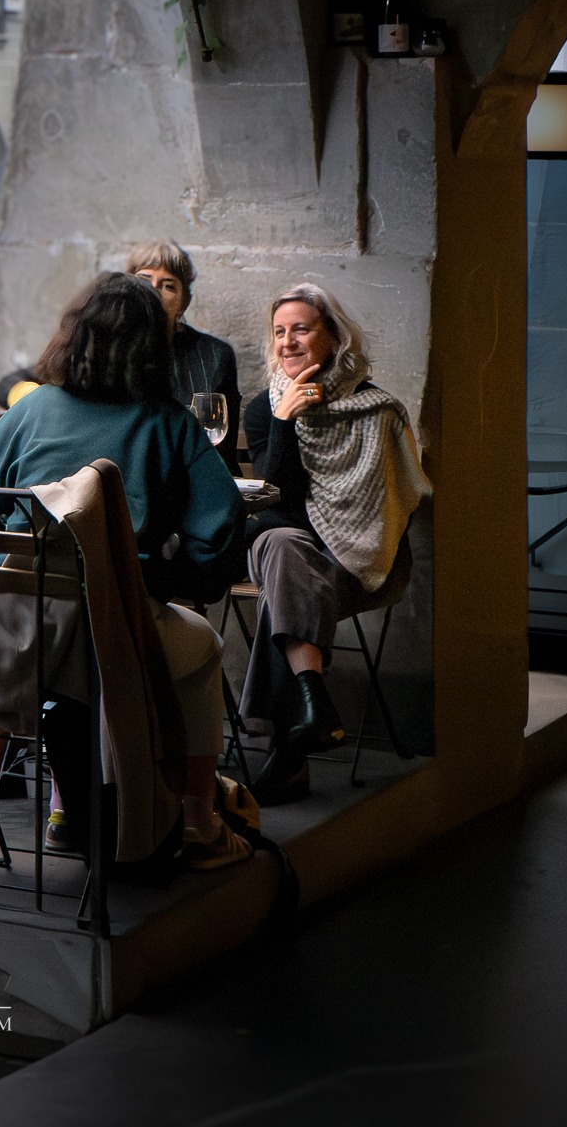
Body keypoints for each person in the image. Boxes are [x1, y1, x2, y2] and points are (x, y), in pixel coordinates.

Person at [0, 273, 248, 866]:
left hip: (14, 637)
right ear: (153, 347)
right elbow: (221, 528)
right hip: (113, 637)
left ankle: (64, 809)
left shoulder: (32, 411)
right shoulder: (169, 423)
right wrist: (174, 581)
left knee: (75, 677)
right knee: (204, 650)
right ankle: (197, 821)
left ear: (74, 338)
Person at [239, 282, 431, 804]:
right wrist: (283, 424)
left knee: (285, 573)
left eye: (301, 328)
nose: (287, 342)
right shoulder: (264, 409)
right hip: (294, 552)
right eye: (279, 332)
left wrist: (328, 526)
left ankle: (301, 731)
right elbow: (273, 500)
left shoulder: (379, 410)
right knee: (280, 544)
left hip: (364, 562)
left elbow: (389, 509)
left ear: (333, 336)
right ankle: (311, 705)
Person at [124, 240, 241, 473]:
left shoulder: (215, 355)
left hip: (197, 476)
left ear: (183, 303)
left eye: (168, 286)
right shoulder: (111, 350)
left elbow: (222, 447)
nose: (154, 290)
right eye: (144, 280)